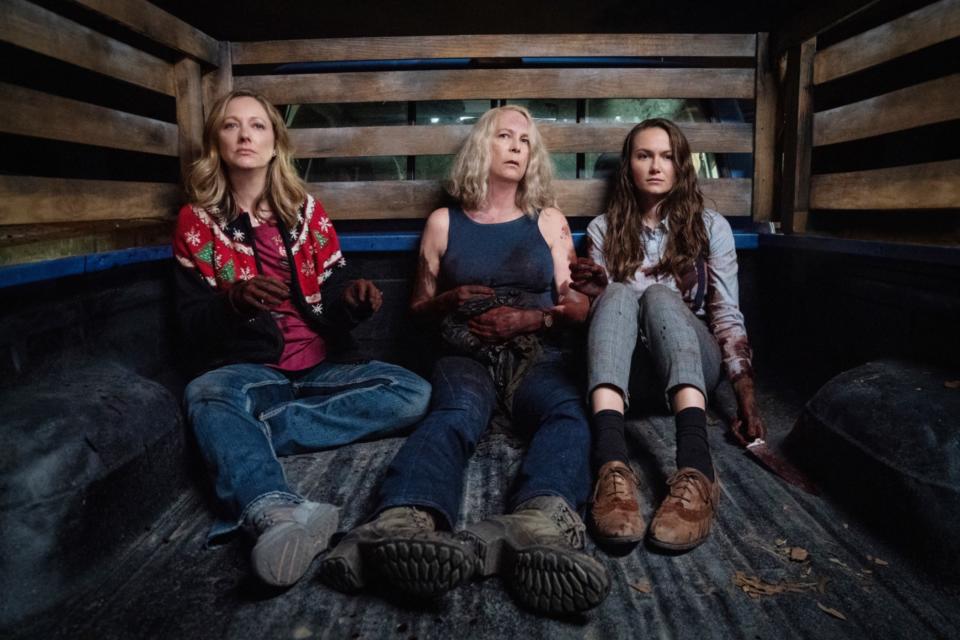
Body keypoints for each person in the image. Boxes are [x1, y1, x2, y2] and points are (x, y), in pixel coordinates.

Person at [320, 106, 610, 616]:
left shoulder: (549, 220)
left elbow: (576, 306)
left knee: (567, 412)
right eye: (505, 136)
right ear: (483, 147)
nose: (518, 146)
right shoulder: (443, 222)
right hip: (464, 352)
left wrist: (533, 319)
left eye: (526, 139)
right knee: (454, 414)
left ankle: (541, 520)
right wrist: (449, 303)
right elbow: (417, 309)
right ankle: (403, 521)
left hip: (534, 349)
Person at [172, 90, 431, 588]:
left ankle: (250, 436)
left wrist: (352, 302)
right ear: (216, 142)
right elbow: (189, 326)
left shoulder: (306, 213)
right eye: (231, 126)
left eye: (258, 126)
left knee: (413, 392)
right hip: (249, 371)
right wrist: (234, 300)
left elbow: (330, 296)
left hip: (317, 368)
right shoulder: (195, 222)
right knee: (203, 394)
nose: (245, 135)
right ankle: (274, 512)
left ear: (275, 143)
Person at [570, 118, 765, 551]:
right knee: (617, 294)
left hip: (694, 363)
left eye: (667, 156)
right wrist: (597, 297)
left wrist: (744, 395)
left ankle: (696, 469)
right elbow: (605, 328)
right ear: (629, 167)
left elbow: (726, 314)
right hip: (634, 377)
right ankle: (611, 468)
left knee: (659, 296)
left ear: (682, 166)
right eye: (644, 155)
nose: (656, 166)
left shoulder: (711, 226)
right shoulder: (603, 230)